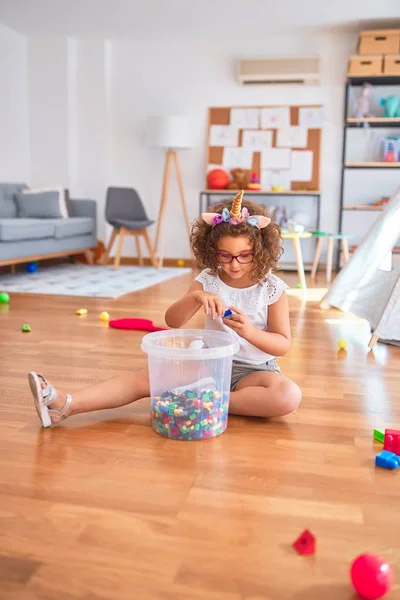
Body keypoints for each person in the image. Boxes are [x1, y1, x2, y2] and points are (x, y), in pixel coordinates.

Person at [28, 190, 301, 428]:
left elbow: (282, 344)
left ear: (261, 250)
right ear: (211, 251)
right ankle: (65, 405)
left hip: (253, 372)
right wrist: (196, 298)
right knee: (144, 379)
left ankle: (205, 399)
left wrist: (250, 332)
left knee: (287, 395)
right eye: (225, 255)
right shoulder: (208, 280)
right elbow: (173, 321)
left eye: (245, 255)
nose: (234, 264)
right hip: (207, 364)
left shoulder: (271, 288)